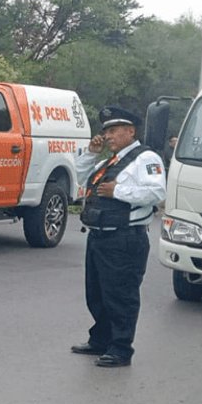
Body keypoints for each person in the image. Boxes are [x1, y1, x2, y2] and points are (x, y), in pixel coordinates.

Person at [70, 106, 167, 367]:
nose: (108, 136)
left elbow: (157, 193)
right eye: (106, 131)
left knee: (120, 296)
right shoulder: (109, 162)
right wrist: (91, 153)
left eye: (113, 131)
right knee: (97, 294)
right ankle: (101, 339)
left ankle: (121, 348)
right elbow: (80, 176)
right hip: (99, 236)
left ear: (130, 131)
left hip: (125, 238)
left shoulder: (146, 159)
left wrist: (119, 191)